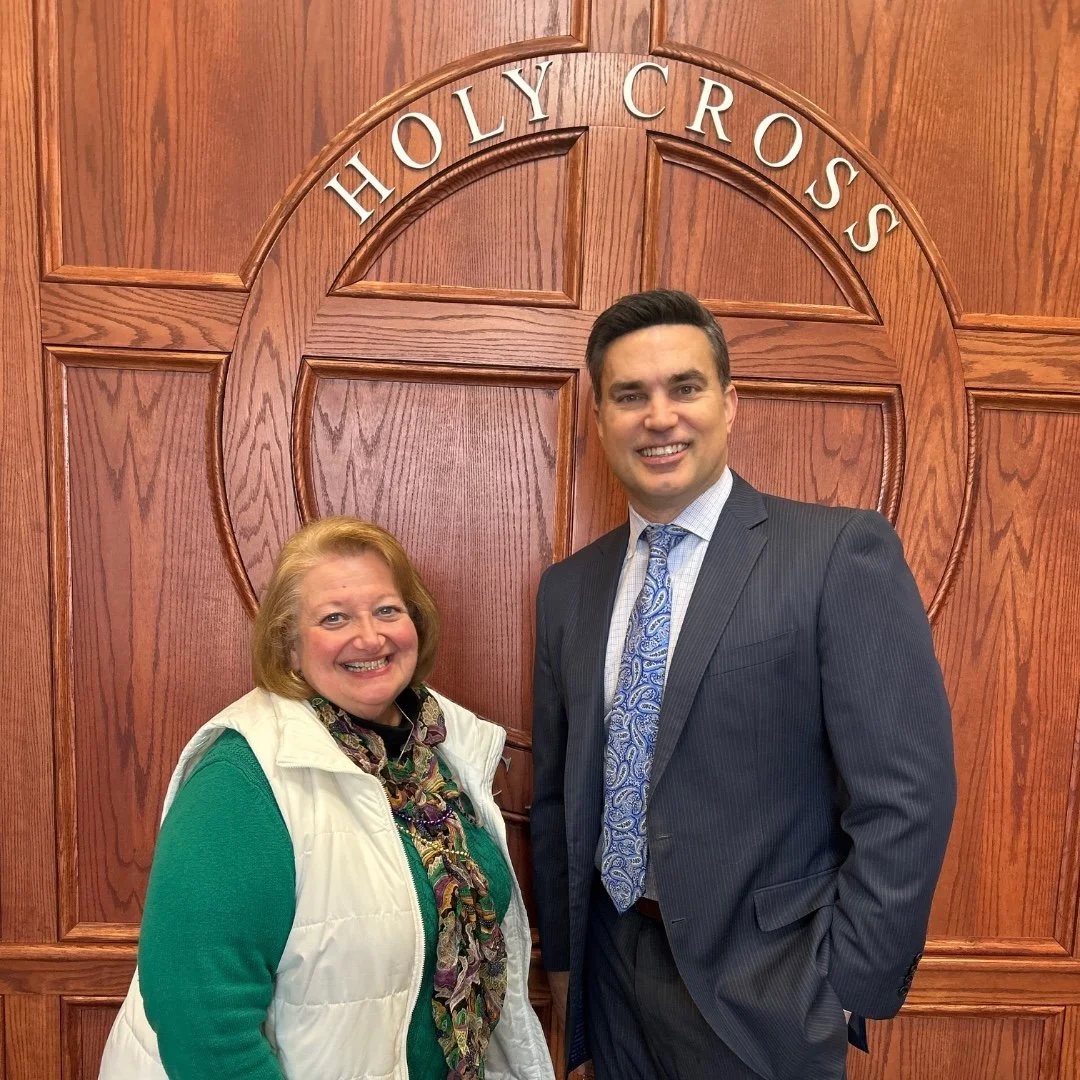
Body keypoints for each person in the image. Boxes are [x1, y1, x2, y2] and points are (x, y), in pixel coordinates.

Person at [530, 289, 956, 1080]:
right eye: (630, 395)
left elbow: (908, 794)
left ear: (729, 403)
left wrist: (843, 986)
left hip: (766, 992)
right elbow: (558, 800)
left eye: (684, 388)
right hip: (611, 975)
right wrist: (565, 970)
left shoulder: (835, 555)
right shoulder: (569, 590)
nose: (659, 417)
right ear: (599, 419)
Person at [100, 516, 555, 1080]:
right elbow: (204, 1026)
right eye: (334, 618)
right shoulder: (241, 777)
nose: (370, 637)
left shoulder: (436, 753)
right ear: (288, 646)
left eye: (387, 610)